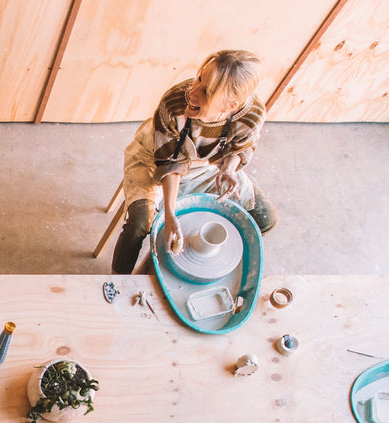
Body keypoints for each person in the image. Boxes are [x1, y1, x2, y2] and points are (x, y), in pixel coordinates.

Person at [110, 50, 277, 275]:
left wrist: (228, 168)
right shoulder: (174, 103)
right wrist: (169, 214)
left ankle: (184, 264)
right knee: (140, 225)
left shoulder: (252, 113)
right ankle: (117, 282)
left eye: (206, 92)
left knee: (264, 219)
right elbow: (169, 165)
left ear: (230, 106)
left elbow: (242, 146)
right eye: (199, 78)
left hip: (205, 168)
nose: (192, 92)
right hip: (154, 159)